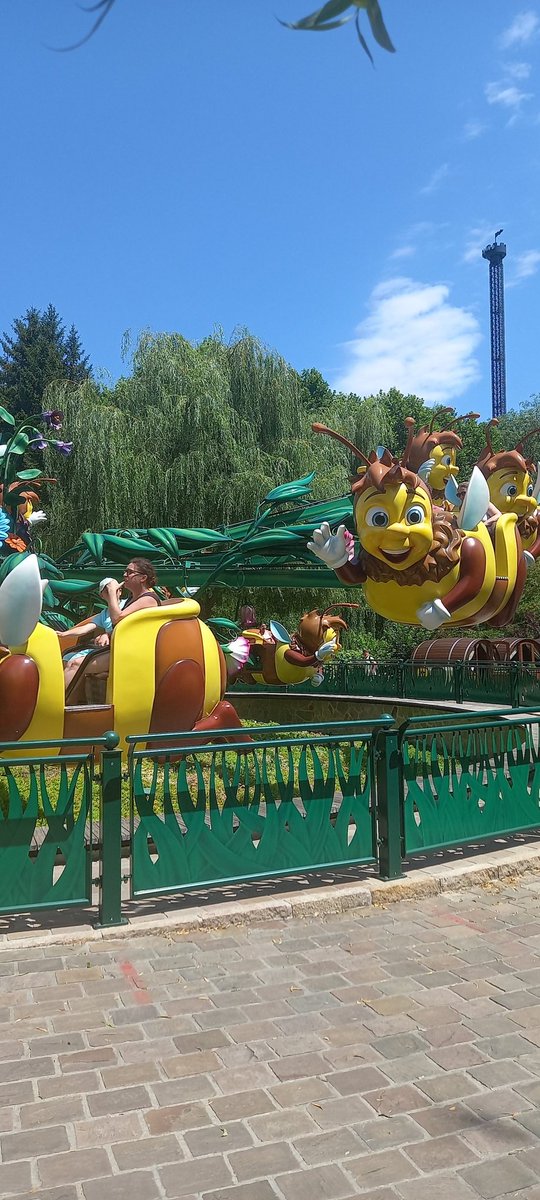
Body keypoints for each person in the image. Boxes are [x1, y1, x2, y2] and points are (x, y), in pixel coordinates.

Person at [65, 559, 160, 698]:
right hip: (120, 648)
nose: (125, 575)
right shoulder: (132, 599)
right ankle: (68, 703)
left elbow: (117, 618)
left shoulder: (149, 599)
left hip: (133, 653)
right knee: (72, 661)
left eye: (129, 572)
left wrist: (111, 595)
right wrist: (107, 634)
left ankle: (57, 704)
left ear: (143, 578)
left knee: (75, 664)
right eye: (125, 571)